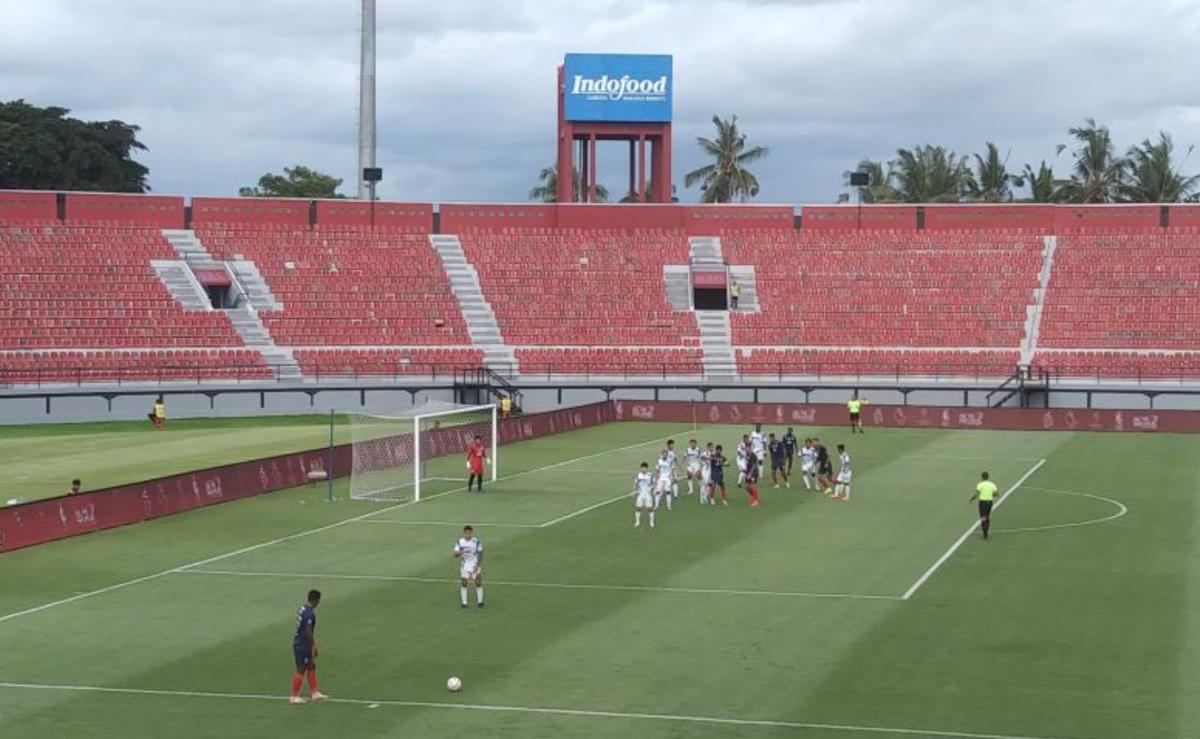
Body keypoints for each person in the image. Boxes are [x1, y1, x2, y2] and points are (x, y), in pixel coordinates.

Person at [290, 589, 328, 704]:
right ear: (316, 600)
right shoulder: (309, 614)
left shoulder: (303, 608)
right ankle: (293, 696)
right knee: (301, 668)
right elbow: (308, 631)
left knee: (311, 665)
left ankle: (315, 693)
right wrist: (314, 646)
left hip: (301, 642)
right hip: (302, 644)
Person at [454, 525, 485, 607]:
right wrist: (462, 552)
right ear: (463, 533)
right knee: (464, 582)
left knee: (478, 582)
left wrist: (477, 565)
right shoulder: (460, 542)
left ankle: (480, 603)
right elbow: (455, 554)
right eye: (466, 533)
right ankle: (464, 603)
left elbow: (480, 554)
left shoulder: (476, 541)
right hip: (465, 564)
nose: (468, 535)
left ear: (472, 533)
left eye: (469, 533)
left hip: (474, 563)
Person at [969, 472, 999, 540]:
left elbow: (977, 494)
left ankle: (985, 533)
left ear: (982, 477)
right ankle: (986, 530)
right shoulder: (992, 484)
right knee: (987, 516)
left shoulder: (980, 484)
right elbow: (997, 494)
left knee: (983, 517)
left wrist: (971, 499)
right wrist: (991, 495)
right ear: (988, 477)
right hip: (990, 502)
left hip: (982, 502)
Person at [633, 462, 656, 528]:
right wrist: (633, 492)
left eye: (644, 468)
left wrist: (653, 489)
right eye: (642, 468)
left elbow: (654, 483)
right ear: (641, 468)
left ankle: (651, 522)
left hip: (647, 494)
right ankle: (637, 522)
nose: (643, 469)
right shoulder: (638, 475)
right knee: (638, 508)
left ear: (647, 468)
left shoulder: (650, 475)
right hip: (640, 494)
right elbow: (635, 484)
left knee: (650, 508)